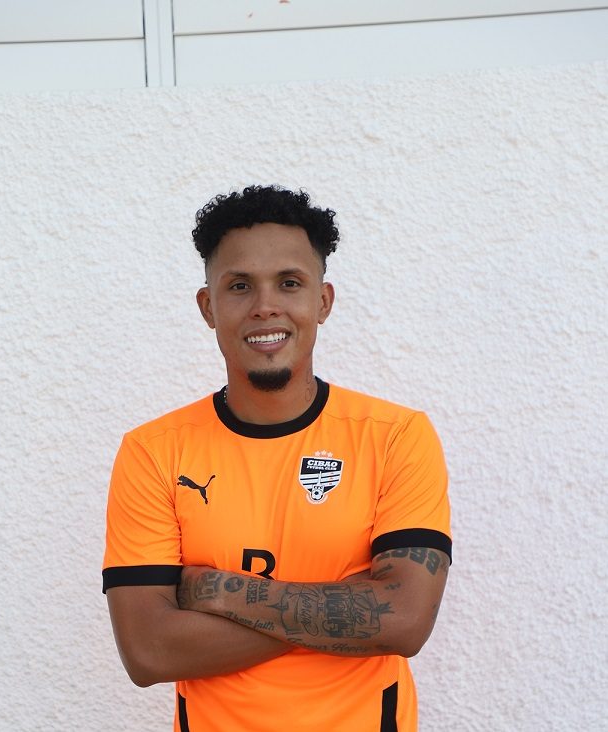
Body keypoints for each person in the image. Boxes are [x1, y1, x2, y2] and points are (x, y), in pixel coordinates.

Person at [103, 185, 452, 732]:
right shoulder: (153, 451)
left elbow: (406, 622)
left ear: (323, 301)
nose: (265, 305)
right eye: (239, 285)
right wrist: (354, 606)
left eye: (289, 282)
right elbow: (149, 652)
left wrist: (216, 592)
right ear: (208, 307)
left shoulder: (395, 437)